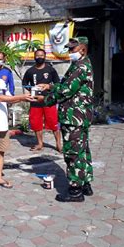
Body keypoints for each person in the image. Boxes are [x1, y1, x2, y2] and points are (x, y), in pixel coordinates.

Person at [36, 37, 94, 202]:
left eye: (72, 50)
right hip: (81, 117)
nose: (70, 53)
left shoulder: (79, 67)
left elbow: (66, 91)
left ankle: (75, 191)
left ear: (82, 50)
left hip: (73, 118)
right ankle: (85, 183)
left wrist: (44, 99)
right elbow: (68, 86)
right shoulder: (83, 64)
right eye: (68, 49)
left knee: (73, 154)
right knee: (82, 151)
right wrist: (51, 86)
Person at [0, 55, 34, 194]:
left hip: (3, 123)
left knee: (1, 152)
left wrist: (26, 99)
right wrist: (20, 97)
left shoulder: (1, 83)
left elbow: (8, 99)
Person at [22, 49, 62, 152]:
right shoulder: (30, 71)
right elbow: (25, 84)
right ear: (34, 57)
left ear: (45, 57)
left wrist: (48, 86)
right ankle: (40, 143)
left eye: (42, 55)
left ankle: (58, 144)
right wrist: (31, 91)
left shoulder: (50, 70)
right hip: (35, 102)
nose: (40, 57)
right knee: (36, 123)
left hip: (49, 101)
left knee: (53, 122)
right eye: (38, 55)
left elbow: (58, 85)